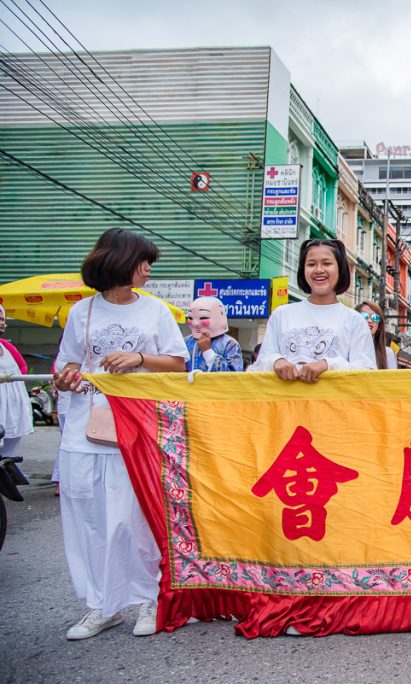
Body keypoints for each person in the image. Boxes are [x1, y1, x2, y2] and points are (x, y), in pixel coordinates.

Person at [51, 227, 188, 640]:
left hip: (137, 426)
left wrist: (140, 357)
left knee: (135, 516)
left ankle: (147, 598)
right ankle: (101, 605)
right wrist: (68, 379)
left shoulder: (156, 311)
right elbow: (66, 368)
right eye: (144, 261)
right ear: (120, 260)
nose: (148, 270)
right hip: (84, 427)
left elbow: (179, 363)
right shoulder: (82, 312)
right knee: (88, 517)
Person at [248, 239, 376, 380]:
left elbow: (367, 372)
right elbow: (257, 368)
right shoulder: (281, 314)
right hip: (286, 402)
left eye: (327, 263)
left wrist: (328, 364)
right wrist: (275, 362)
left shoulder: (355, 320)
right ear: (303, 270)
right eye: (311, 264)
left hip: (334, 402)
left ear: (340, 269)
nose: (319, 270)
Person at [0, 303, 32, 463]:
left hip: (12, 405)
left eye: (3, 319)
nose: (2, 323)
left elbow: (22, 367)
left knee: (10, 446)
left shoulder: (6, 345)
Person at [184, 297, 244, 373]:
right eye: (190, 318)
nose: (195, 323)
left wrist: (208, 352)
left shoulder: (229, 344)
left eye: (203, 318)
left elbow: (234, 376)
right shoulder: (185, 342)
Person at [356, 300, 397, 370]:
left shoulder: (387, 353)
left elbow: (392, 380)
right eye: (364, 316)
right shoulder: (346, 349)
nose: (369, 320)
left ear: (379, 326)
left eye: (375, 318)